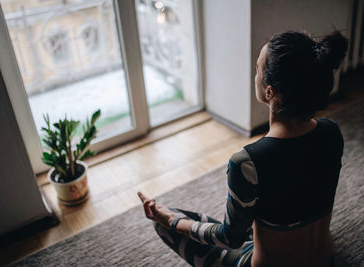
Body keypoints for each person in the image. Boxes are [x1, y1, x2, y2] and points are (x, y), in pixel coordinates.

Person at [138, 30, 348, 267]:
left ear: (270, 91)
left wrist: (171, 222)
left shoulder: (248, 162)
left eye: (257, 69)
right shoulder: (332, 132)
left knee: (167, 221)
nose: (255, 74)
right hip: (324, 261)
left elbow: (231, 238)